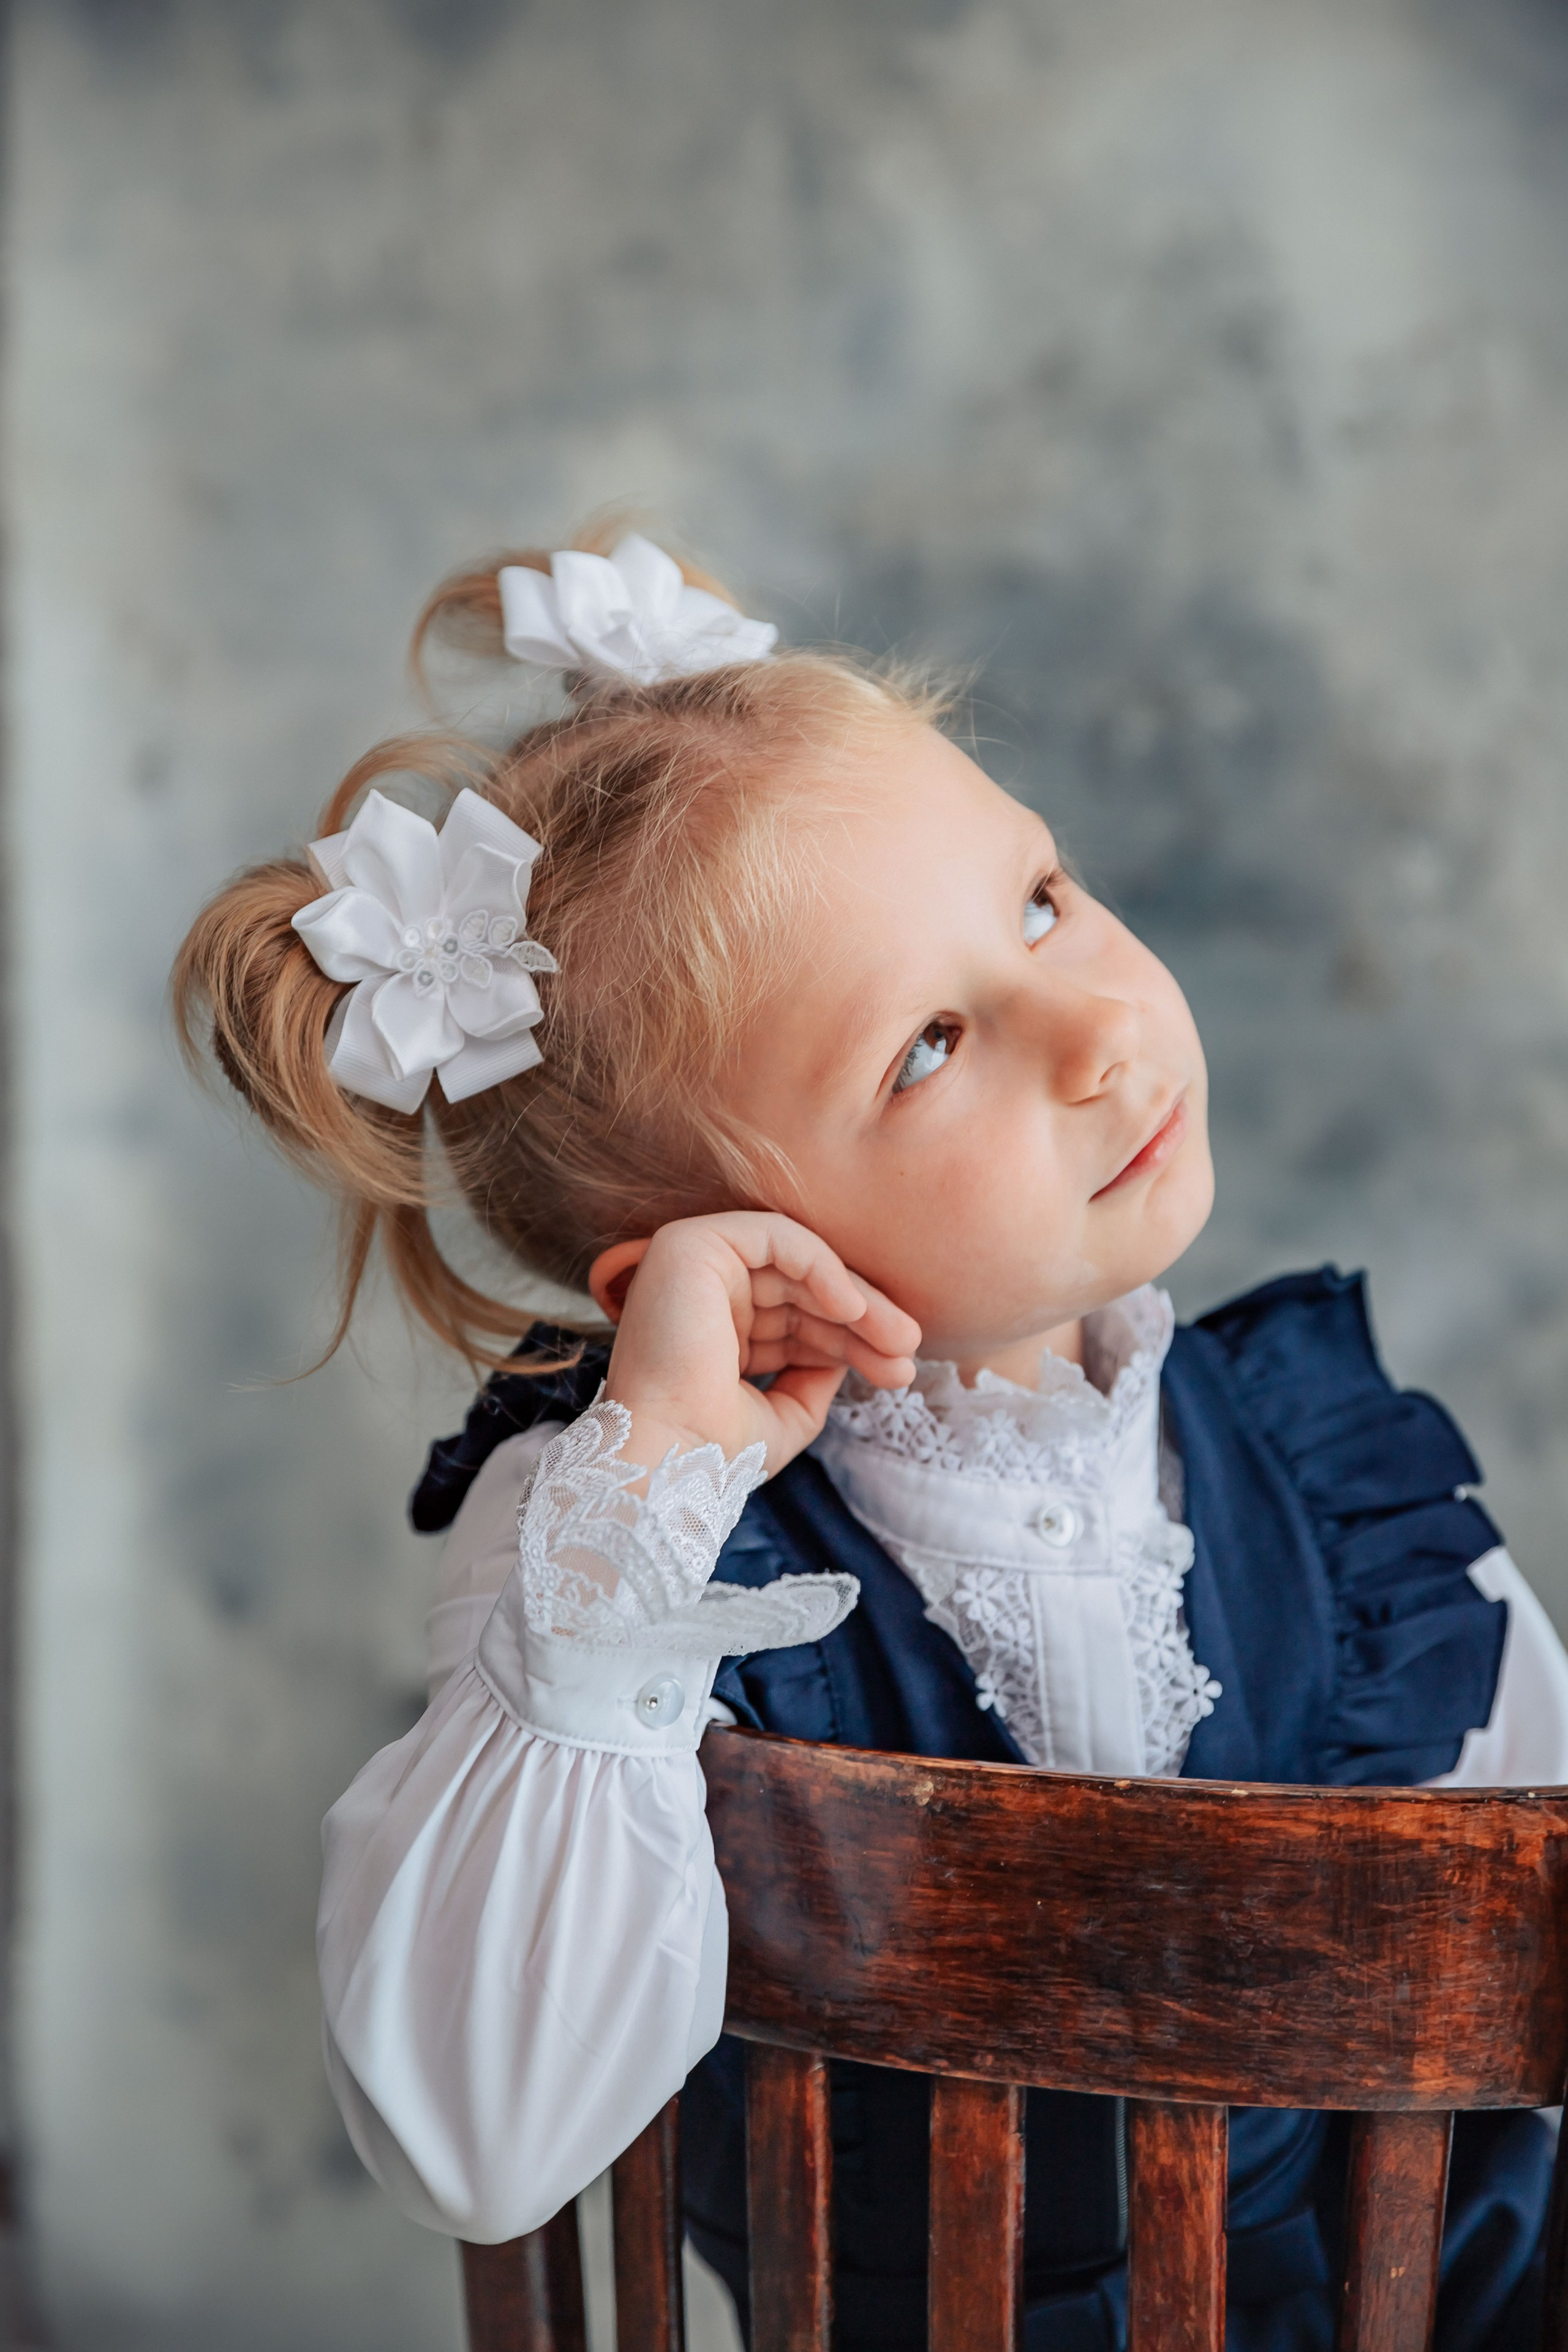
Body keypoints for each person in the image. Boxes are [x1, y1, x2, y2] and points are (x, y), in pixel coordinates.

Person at [173, 530, 1568, 2350]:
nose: (1095, 1027)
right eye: (926, 1049)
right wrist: (656, 1470)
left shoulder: (1333, 1471)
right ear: (718, 1267)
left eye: (1043, 900)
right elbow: (482, 2140)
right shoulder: (624, 1570)